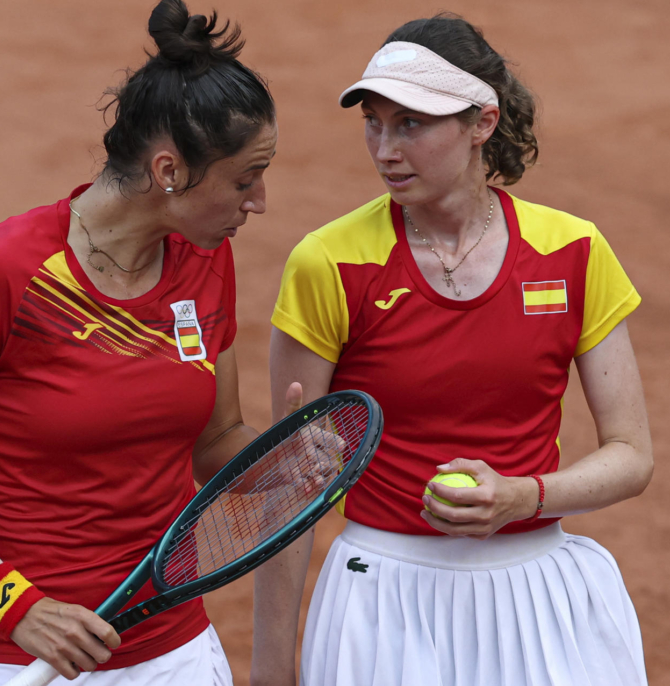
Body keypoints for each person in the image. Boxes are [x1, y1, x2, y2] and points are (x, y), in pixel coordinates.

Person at [251, 14, 652, 686]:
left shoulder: (574, 251)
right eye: (374, 122)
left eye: (412, 124)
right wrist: (269, 673)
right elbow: (293, 491)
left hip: (536, 594)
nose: (385, 149)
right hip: (382, 600)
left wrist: (527, 496)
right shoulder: (328, 262)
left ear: (482, 123)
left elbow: (632, 455)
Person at [0, 1, 280, 684]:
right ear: (170, 171)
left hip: (170, 648)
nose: (258, 202)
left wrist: (288, 459)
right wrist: (15, 606)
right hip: (14, 651)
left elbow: (215, 441)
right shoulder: (3, 275)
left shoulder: (204, 261)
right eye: (245, 179)